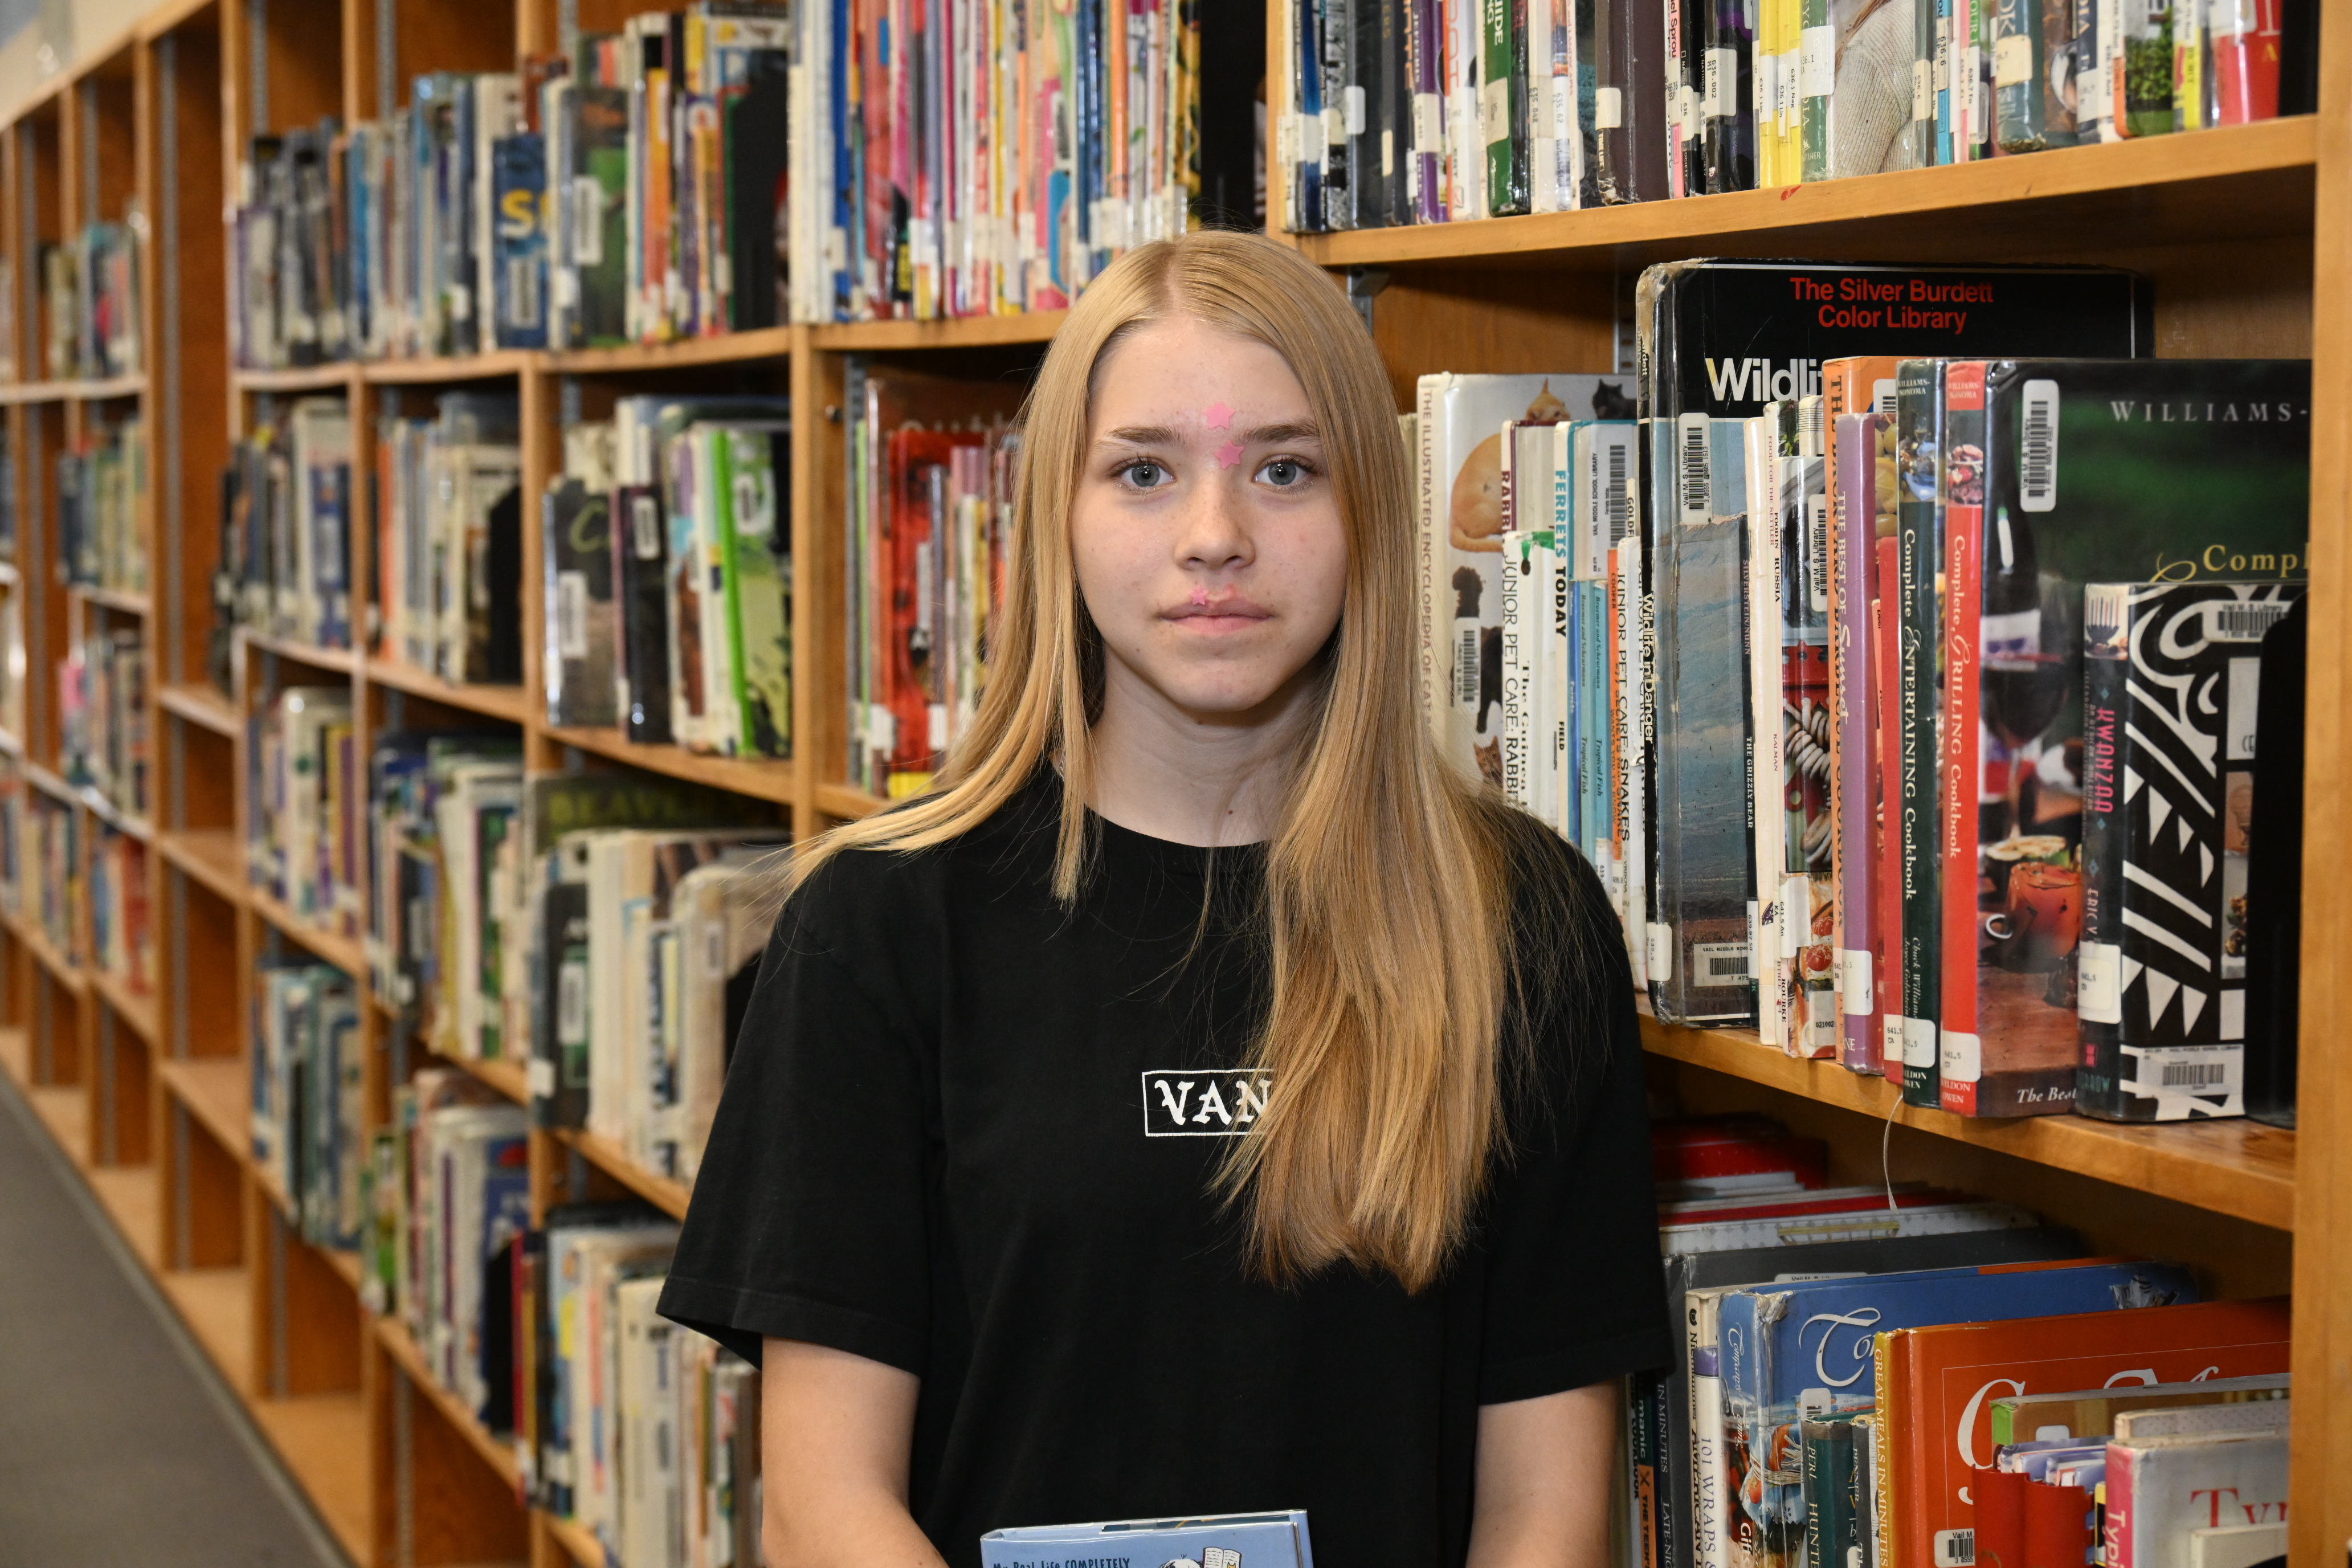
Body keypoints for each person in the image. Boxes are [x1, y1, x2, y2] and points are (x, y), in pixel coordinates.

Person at [657, 229, 1671, 1568]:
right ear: (1056, 519)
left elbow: (1545, 1508)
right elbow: (821, 1506)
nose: (1215, 537)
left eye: (1284, 468)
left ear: (1370, 503)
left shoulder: (1524, 924)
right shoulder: (881, 925)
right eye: (1144, 470)